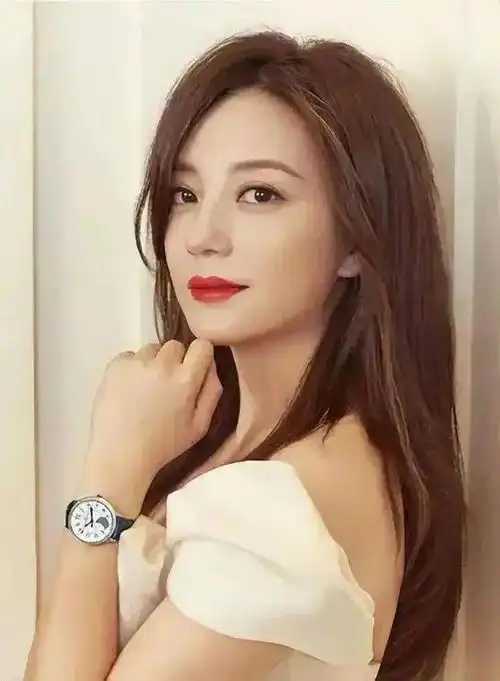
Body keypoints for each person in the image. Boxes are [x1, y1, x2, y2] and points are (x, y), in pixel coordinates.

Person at [24, 30, 466, 681]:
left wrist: (106, 482)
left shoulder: (294, 500)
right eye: (186, 194)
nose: (203, 236)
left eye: (260, 194)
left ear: (356, 240)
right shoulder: (217, 442)